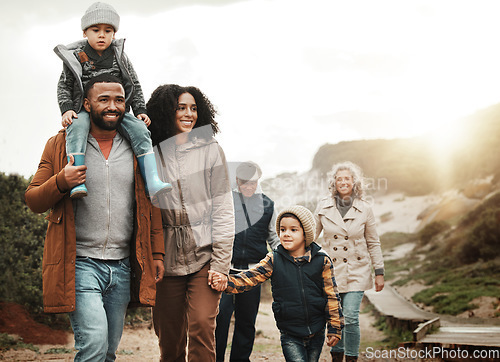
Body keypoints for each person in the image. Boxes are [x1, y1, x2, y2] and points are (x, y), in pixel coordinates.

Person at [25, 74, 165, 361]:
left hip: (123, 267)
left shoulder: (139, 149)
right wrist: (62, 181)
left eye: (119, 100)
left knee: (109, 352)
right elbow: (33, 199)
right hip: (80, 264)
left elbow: (151, 207)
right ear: (87, 104)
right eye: (104, 99)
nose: (112, 106)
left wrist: (158, 253)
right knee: (94, 345)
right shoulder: (60, 144)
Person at [146, 84, 235, 362]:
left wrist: (221, 264)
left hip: (205, 254)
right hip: (165, 257)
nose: (189, 114)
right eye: (181, 108)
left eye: (194, 108)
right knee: (169, 339)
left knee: (201, 328)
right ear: (165, 112)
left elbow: (223, 208)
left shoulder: (210, 148)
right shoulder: (150, 152)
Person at [54, 1, 171, 200]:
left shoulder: (120, 56)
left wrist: (140, 109)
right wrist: (66, 109)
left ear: (114, 34)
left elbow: (134, 82)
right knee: (76, 127)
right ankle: (77, 180)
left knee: (141, 130)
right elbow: (64, 85)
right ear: (85, 32)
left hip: (116, 109)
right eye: (96, 29)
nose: (102, 35)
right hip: (84, 108)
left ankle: (152, 180)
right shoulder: (75, 57)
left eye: (108, 30)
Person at [212, 205, 344, 362]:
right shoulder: (274, 259)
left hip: (317, 330)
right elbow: (250, 277)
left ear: (306, 234)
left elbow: (332, 296)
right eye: (282, 230)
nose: (286, 234)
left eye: (293, 230)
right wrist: (226, 282)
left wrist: (335, 327)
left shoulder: (322, 260)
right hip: (290, 332)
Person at [314, 161, 385, 362]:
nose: (343, 182)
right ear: (334, 183)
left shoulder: (365, 208)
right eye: (339, 179)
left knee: (351, 317)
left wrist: (379, 271)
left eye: (347, 178)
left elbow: (373, 242)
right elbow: (311, 236)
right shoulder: (323, 206)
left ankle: (352, 358)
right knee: (336, 318)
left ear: (354, 182)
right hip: (331, 270)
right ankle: (337, 357)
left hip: (358, 269)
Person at [215, 161, 280, 362]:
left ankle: (240, 360)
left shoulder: (268, 205)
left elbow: (274, 238)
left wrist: (284, 258)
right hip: (225, 270)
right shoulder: (226, 200)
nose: (248, 186)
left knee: (246, 321)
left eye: (252, 182)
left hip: (253, 273)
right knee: (221, 317)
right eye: (244, 182)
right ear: (237, 180)